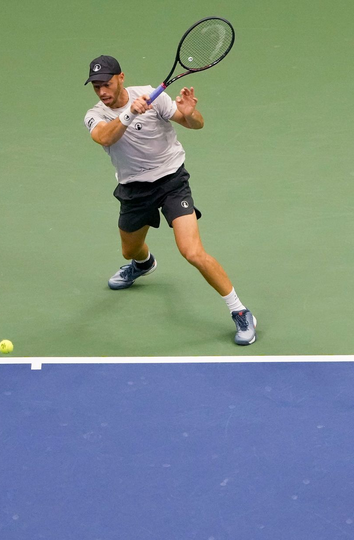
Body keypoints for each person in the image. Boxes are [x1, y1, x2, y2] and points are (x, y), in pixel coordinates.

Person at [82, 55, 257, 345]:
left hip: (171, 181)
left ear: (121, 77)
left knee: (192, 251)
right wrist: (129, 114)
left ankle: (240, 311)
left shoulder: (153, 96)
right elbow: (104, 138)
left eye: (107, 84)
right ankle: (143, 264)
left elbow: (196, 125)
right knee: (130, 250)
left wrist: (188, 114)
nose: (102, 91)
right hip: (134, 190)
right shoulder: (95, 114)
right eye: (97, 86)